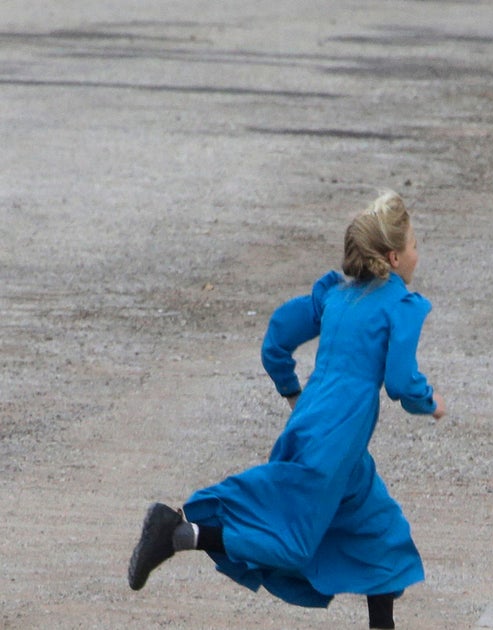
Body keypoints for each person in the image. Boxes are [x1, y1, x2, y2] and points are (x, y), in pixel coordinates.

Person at [128, 190, 445, 629]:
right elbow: (401, 381)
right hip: (338, 437)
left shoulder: (337, 295)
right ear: (393, 257)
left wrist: (292, 391)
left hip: (319, 424)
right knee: (294, 540)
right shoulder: (400, 305)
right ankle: (181, 532)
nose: (417, 253)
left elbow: (278, 336)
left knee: (378, 531)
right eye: (413, 245)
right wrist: (430, 402)